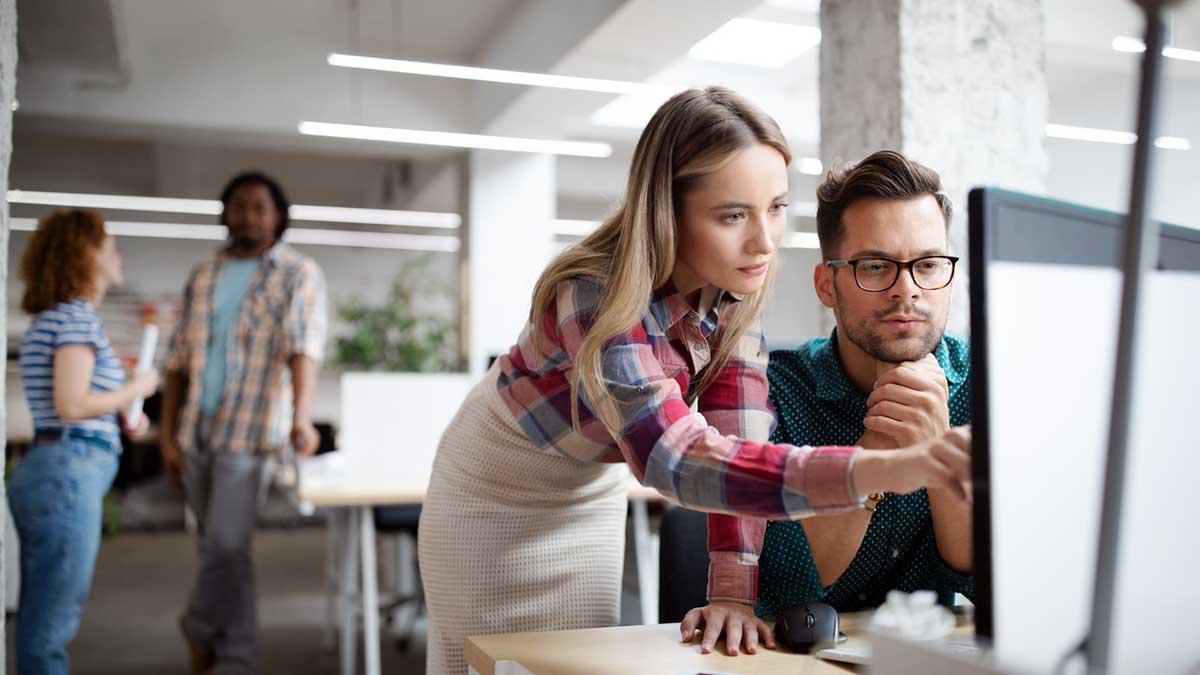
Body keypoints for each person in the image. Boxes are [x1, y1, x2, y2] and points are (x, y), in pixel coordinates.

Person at [417, 88, 973, 674]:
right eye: (734, 214)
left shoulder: (736, 282)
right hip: (499, 489)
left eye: (776, 208)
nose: (764, 240)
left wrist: (732, 593)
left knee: (566, 664)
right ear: (669, 210)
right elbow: (675, 460)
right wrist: (882, 467)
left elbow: (740, 444)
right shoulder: (594, 294)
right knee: (484, 665)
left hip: (589, 487)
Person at [683, 150, 974, 656]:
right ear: (827, 284)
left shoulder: (987, 385)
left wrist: (937, 446)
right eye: (875, 266)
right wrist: (882, 451)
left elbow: (993, 588)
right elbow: (790, 590)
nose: (907, 291)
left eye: (928, 265)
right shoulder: (765, 393)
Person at [160, 171, 327, 675]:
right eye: (238, 206)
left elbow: (304, 348)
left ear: (278, 216)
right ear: (225, 213)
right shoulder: (204, 273)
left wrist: (301, 418)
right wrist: (167, 437)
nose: (247, 216)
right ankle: (236, 656)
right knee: (220, 551)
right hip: (196, 430)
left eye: (259, 207)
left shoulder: (297, 272)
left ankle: (199, 626)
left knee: (226, 544)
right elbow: (175, 362)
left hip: (250, 431)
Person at [11, 209, 159, 674]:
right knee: (50, 626)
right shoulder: (75, 318)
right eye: (111, 245)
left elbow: (76, 403)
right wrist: (137, 389)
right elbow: (72, 404)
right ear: (86, 252)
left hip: (57, 466)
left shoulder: (56, 318)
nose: (119, 256)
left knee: (42, 615)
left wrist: (120, 414)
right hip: (67, 471)